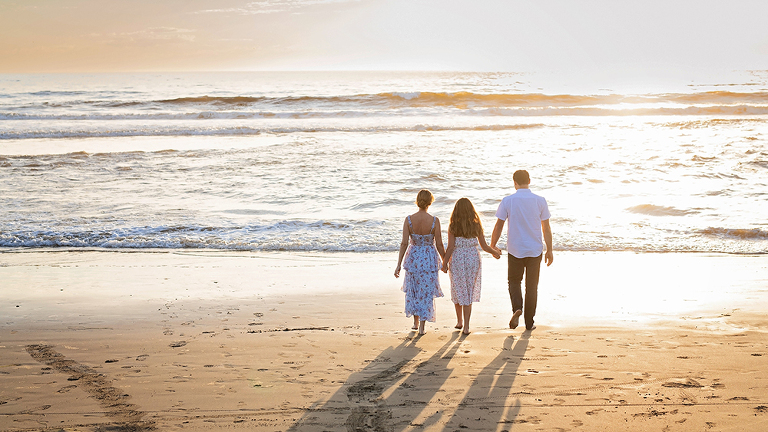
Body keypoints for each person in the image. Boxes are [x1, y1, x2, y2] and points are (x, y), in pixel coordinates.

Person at [491, 170, 553, 331]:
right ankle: (529, 322)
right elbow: (546, 228)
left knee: (514, 281)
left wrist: (493, 246)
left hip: (515, 249)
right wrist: (550, 250)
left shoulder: (508, 201)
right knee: (532, 287)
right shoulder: (540, 201)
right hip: (534, 249)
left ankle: (517, 308)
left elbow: (499, 225)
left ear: (514, 182)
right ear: (529, 181)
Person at [441, 198, 501, 335]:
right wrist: (495, 252)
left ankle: (459, 321)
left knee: (457, 289)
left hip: (457, 259)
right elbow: (484, 246)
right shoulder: (476, 225)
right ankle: (466, 326)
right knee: (468, 291)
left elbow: (450, 248)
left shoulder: (453, 226)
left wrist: (444, 263)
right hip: (473, 259)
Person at [394, 189, 445, 335]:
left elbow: (404, 243)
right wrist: (444, 261)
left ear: (417, 201)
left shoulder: (409, 219)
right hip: (429, 257)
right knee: (426, 291)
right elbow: (439, 244)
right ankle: (422, 325)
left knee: (414, 289)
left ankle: (415, 323)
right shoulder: (434, 220)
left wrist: (398, 264)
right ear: (430, 201)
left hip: (414, 257)